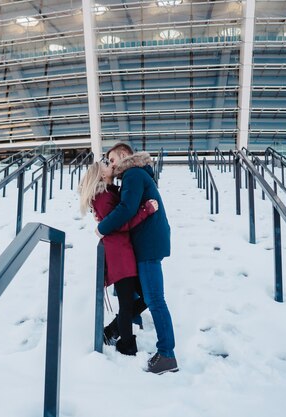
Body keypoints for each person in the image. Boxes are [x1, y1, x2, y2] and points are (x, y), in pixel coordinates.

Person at [96, 143, 178, 374]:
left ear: (123, 156)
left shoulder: (132, 174)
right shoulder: (135, 175)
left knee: (154, 299)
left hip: (148, 244)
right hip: (147, 242)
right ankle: (114, 330)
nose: (111, 165)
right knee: (146, 296)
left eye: (112, 160)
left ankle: (167, 354)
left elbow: (126, 209)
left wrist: (102, 227)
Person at [79, 161, 156, 356]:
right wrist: (145, 211)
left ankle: (112, 331)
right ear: (101, 174)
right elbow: (119, 224)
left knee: (146, 297)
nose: (110, 164)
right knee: (129, 302)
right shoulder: (103, 197)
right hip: (119, 255)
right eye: (106, 164)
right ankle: (127, 345)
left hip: (124, 251)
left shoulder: (110, 192)